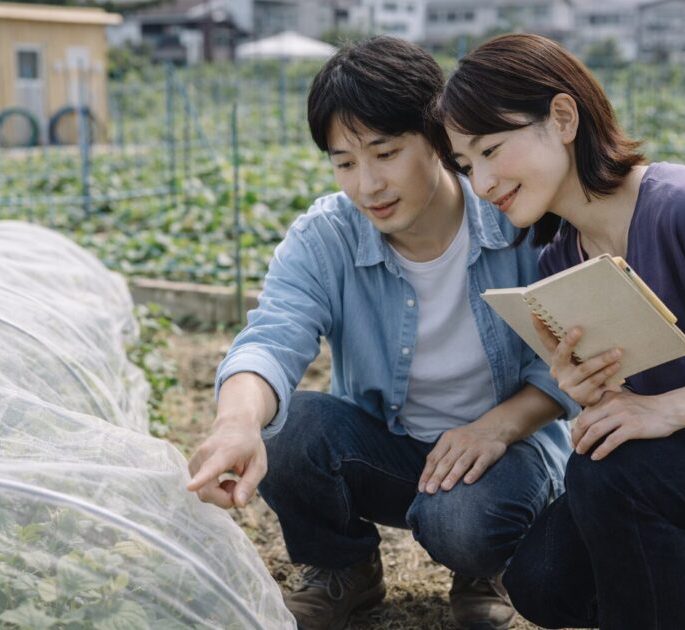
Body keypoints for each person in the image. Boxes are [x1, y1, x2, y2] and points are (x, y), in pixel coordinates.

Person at [185, 36, 579, 630]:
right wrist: (236, 422)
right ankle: (343, 567)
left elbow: (569, 361)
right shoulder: (328, 236)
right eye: (345, 162)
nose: (367, 185)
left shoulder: (518, 219)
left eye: (385, 153)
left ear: (441, 140)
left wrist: (495, 428)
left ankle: (482, 565)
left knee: (465, 523)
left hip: (506, 449)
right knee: (288, 427)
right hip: (390, 449)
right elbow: (274, 334)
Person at [437, 32, 685, 630]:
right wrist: (594, 393)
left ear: (561, 117)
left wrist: (663, 412)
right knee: (540, 582)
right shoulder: (561, 262)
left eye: (492, 149)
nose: (481, 183)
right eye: (466, 165)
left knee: (613, 472)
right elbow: (632, 410)